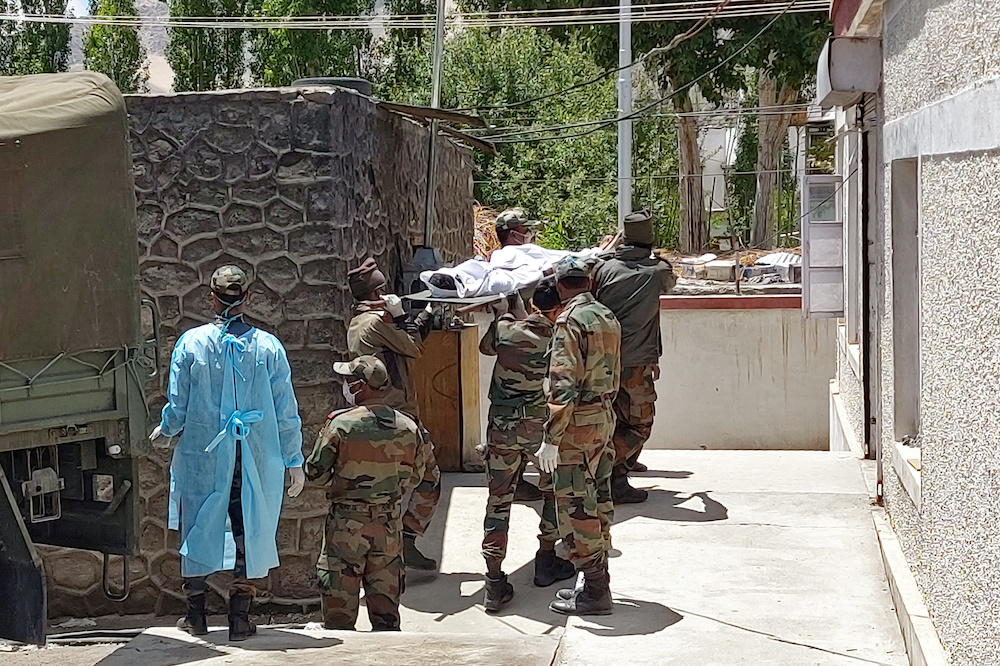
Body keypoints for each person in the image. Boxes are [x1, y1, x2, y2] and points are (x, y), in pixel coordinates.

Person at [149, 265, 305, 641]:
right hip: (256, 456)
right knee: (248, 527)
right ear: (248, 297)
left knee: (198, 525)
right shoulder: (268, 347)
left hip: (204, 456)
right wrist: (293, 459)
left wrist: (166, 430)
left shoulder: (191, 343)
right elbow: (286, 410)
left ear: (211, 297)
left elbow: (178, 403)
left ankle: (196, 614)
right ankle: (239, 617)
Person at [304, 356, 433, 631]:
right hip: (388, 527)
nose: (345, 386)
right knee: (387, 620)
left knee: (339, 618)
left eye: (348, 381)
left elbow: (315, 472)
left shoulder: (340, 425)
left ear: (360, 386)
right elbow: (417, 476)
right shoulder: (409, 426)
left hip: (345, 527)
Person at [478, 281, 575, 613]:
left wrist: (503, 314)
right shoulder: (558, 339)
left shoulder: (506, 331)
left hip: (501, 429)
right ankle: (546, 560)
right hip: (537, 426)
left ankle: (493, 582)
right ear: (557, 309)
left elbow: (486, 347)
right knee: (551, 491)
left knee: (499, 502)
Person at [536, 256, 621, 616]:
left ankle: (595, 591)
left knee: (575, 506)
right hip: (603, 417)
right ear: (588, 281)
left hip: (577, 425)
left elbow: (563, 383)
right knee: (599, 498)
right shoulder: (606, 315)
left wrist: (551, 437)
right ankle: (596, 582)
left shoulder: (568, 321)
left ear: (559, 285)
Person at [347, 257, 441, 571]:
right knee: (428, 479)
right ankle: (404, 541)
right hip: (397, 415)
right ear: (378, 294)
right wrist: (401, 316)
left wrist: (425, 314)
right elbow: (412, 347)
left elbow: (403, 345)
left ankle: (384, 553)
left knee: (388, 487)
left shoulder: (359, 321)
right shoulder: (376, 323)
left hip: (379, 413)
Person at [593, 209, 676, 504]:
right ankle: (610, 470)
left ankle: (617, 470)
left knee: (611, 420)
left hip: (601, 363)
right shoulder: (657, 272)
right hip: (636, 364)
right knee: (640, 424)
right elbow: (671, 274)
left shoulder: (603, 268)